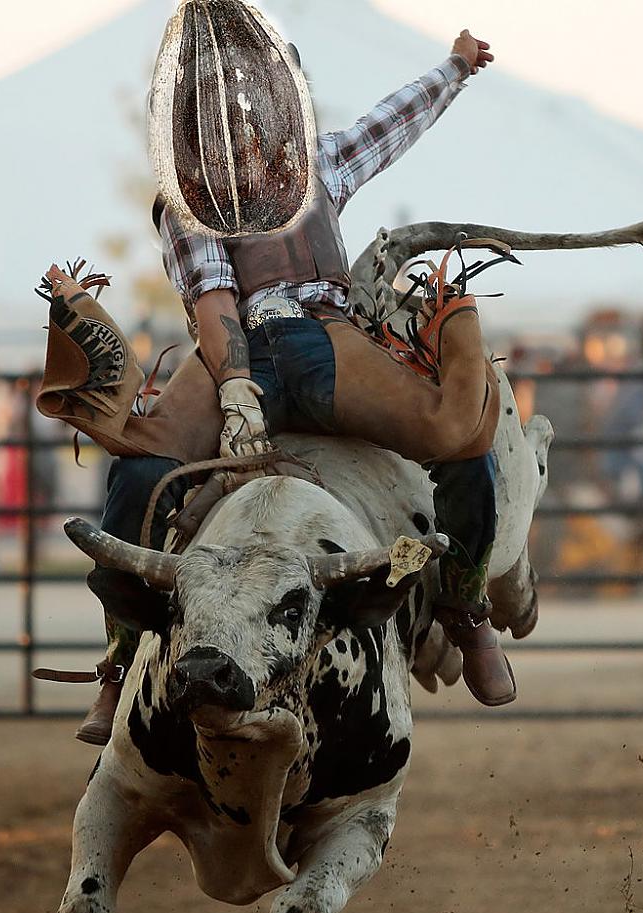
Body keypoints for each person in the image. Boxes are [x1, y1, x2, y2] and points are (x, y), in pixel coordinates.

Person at [44, 28, 520, 744]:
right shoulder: (189, 202)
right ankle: (122, 661)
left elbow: (390, 124)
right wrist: (236, 386)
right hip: (246, 351)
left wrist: (453, 68)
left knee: (463, 434)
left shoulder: (319, 164)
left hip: (329, 340)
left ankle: (465, 609)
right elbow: (213, 302)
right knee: (139, 472)